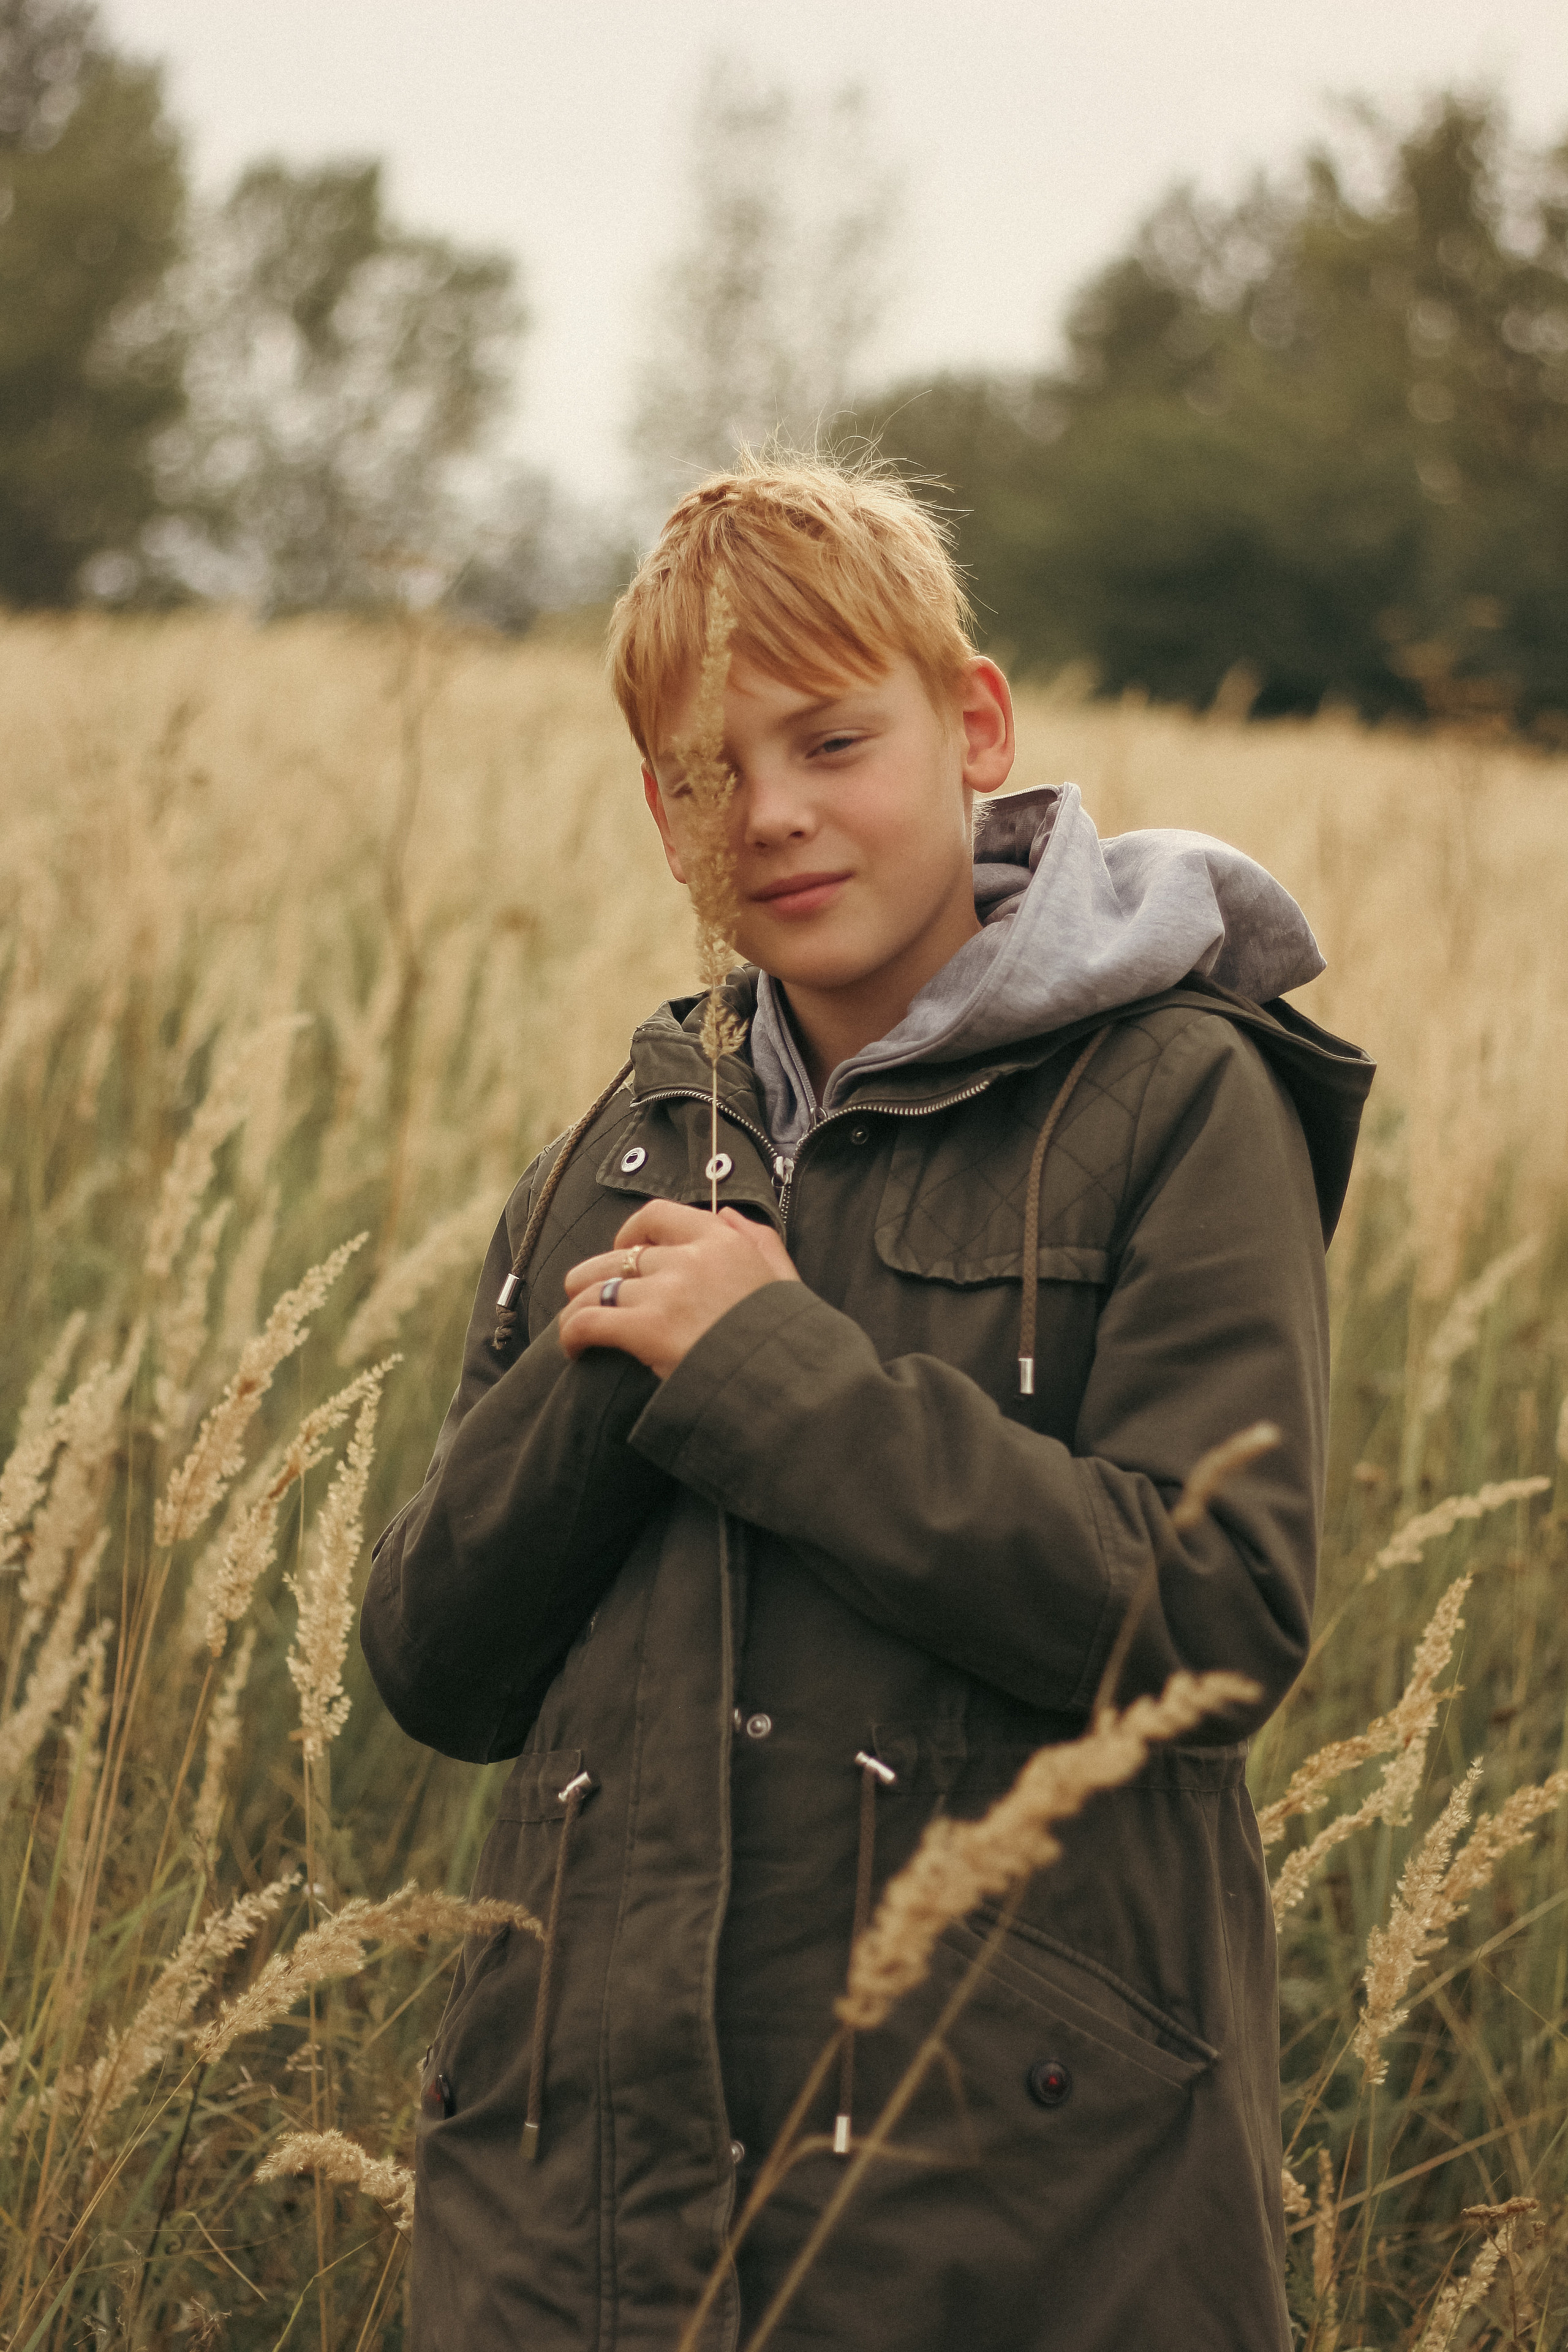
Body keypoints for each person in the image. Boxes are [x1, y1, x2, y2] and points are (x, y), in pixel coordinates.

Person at [361, 454, 1374, 2352]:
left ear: (973, 724)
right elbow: (436, 1667)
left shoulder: (1170, 1096)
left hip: (1001, 2212)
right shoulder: (640, 1131)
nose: (774, 816)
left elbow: (1217, 1620)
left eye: (834, 742)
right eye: (702, 775)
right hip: (574, 2221)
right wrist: (623, 1366)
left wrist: (770, 1374)